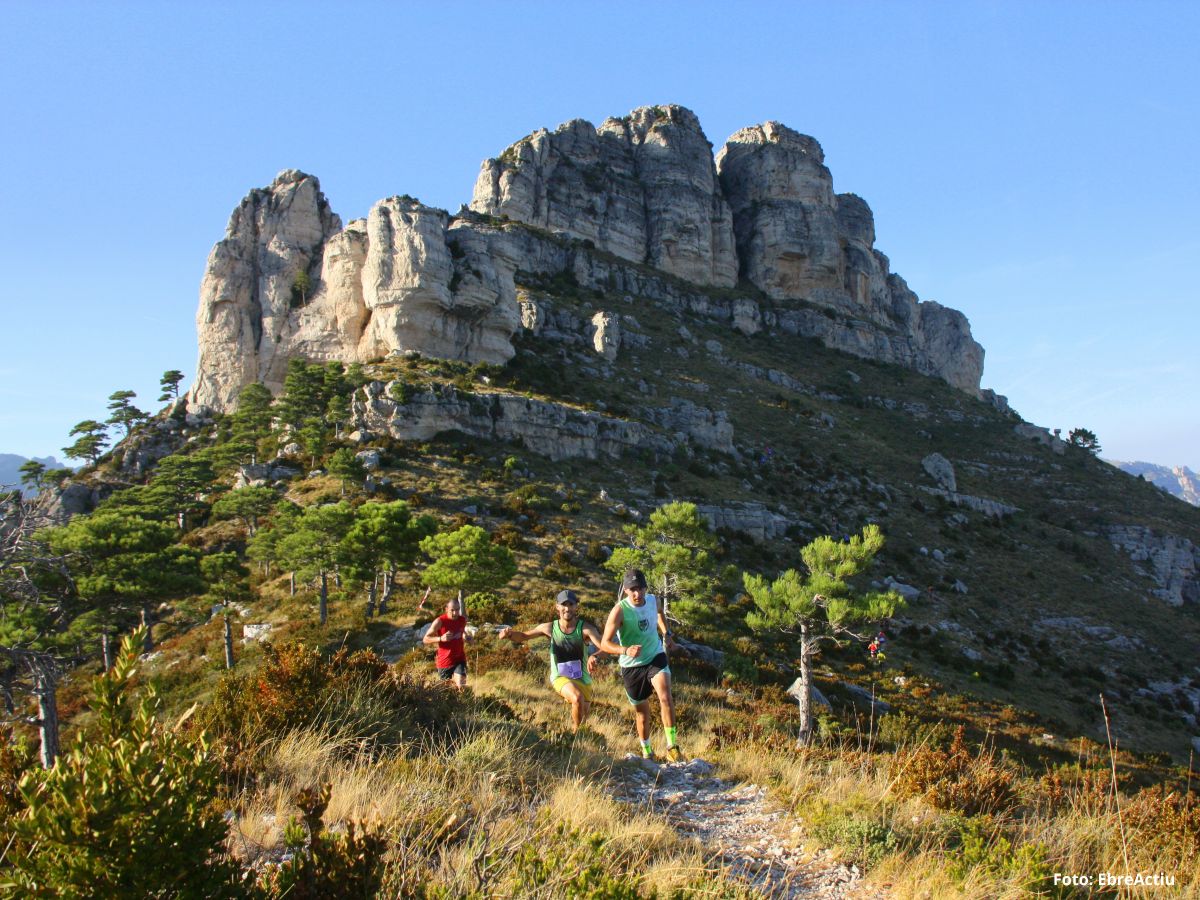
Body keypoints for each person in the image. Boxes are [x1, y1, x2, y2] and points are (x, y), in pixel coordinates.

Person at [600, 569, 682, 762]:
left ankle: (673, 747)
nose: (637, 594)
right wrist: (625, 650)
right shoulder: (619, 611)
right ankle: (647, 751)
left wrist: (666, 634)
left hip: (655, 655)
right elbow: (605, 643)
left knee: (665, 696)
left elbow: (661, 614)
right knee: (642, 714)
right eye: (632, 590)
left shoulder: (654, 601)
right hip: (631, 666)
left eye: (640, 589)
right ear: (626, 591)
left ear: (646, 588)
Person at [498, 589, 607, 732]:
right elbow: (524, 636)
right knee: (577, 698)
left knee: (583, 719)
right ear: (557, 607)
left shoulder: (586, 629)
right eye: (563, 605)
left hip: (583, 679)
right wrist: (510, 635)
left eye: (570, 604)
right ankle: (575, 737)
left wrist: (595, 656)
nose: (567, 608)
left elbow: (605, 648)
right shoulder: (549, 627)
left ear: (576, 607)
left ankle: (579, 742)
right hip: (560, 676)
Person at [423, 597, 470, 690]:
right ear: (446, 609)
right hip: (445, 661)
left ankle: (463, 703)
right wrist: (441, 638)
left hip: (459, 659)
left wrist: (467, 637)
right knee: (446, 691)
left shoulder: (462, 620)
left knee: (461, 686)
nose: (455, 613)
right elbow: (425, 639)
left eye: (457, 610)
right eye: (452, 610)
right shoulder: (440, 621)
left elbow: (462, 632)